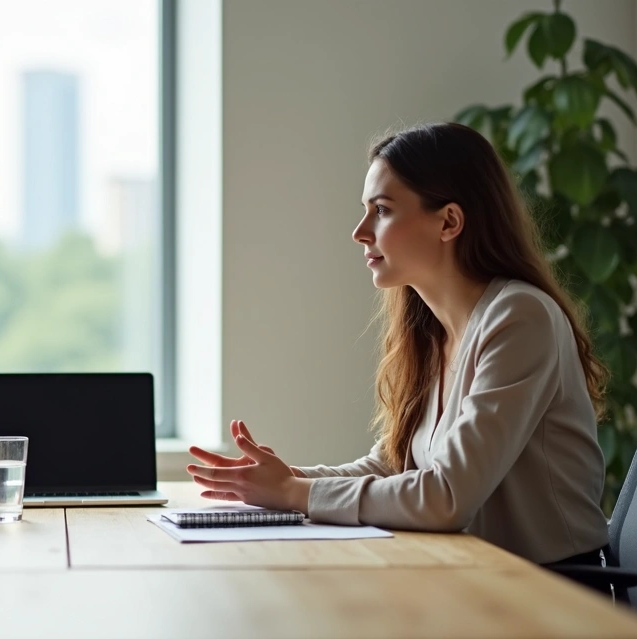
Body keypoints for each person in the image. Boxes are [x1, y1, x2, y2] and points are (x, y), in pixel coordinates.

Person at [186, 122, 610, 566]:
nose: (360, 231)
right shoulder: (433, 330)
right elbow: (391, 467)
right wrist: (284, 480)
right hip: (473, 578)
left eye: (382, 211)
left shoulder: (520, 317)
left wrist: (296, 493)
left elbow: (446, 497)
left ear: (449, 221)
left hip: (552, 595)